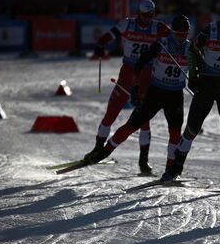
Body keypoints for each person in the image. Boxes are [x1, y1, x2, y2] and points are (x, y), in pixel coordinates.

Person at [161, 0, 220, 191]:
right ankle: (175, 168)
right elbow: (192, 49)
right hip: (207, 83)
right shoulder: (210, 30)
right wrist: (193, 75)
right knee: (192, 128)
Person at [82, 15, 192, 173]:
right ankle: (102, 152)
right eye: (178, 33)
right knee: (128, 123)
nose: (181, 37)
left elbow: (198, 69)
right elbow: (141, 62)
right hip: (155, 91)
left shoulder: (189, 48)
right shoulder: (160, 43)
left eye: (185, 34)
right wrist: (136, 86)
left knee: (175, 133)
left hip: (175, 96)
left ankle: (167, 169)